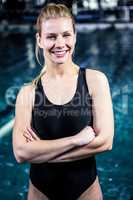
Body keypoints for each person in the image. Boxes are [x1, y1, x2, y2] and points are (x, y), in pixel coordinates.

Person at [12, 3, 114, 200]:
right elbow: (21, 152)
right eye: (51, 36)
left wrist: (42, 151)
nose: (60, 43)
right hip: (40, 193)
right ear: (39, 40)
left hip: (86, 192)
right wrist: (75, 140)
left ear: (75, 37)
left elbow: (105, 142)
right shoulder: (28, 93)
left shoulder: (95, 81)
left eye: (66, 35)